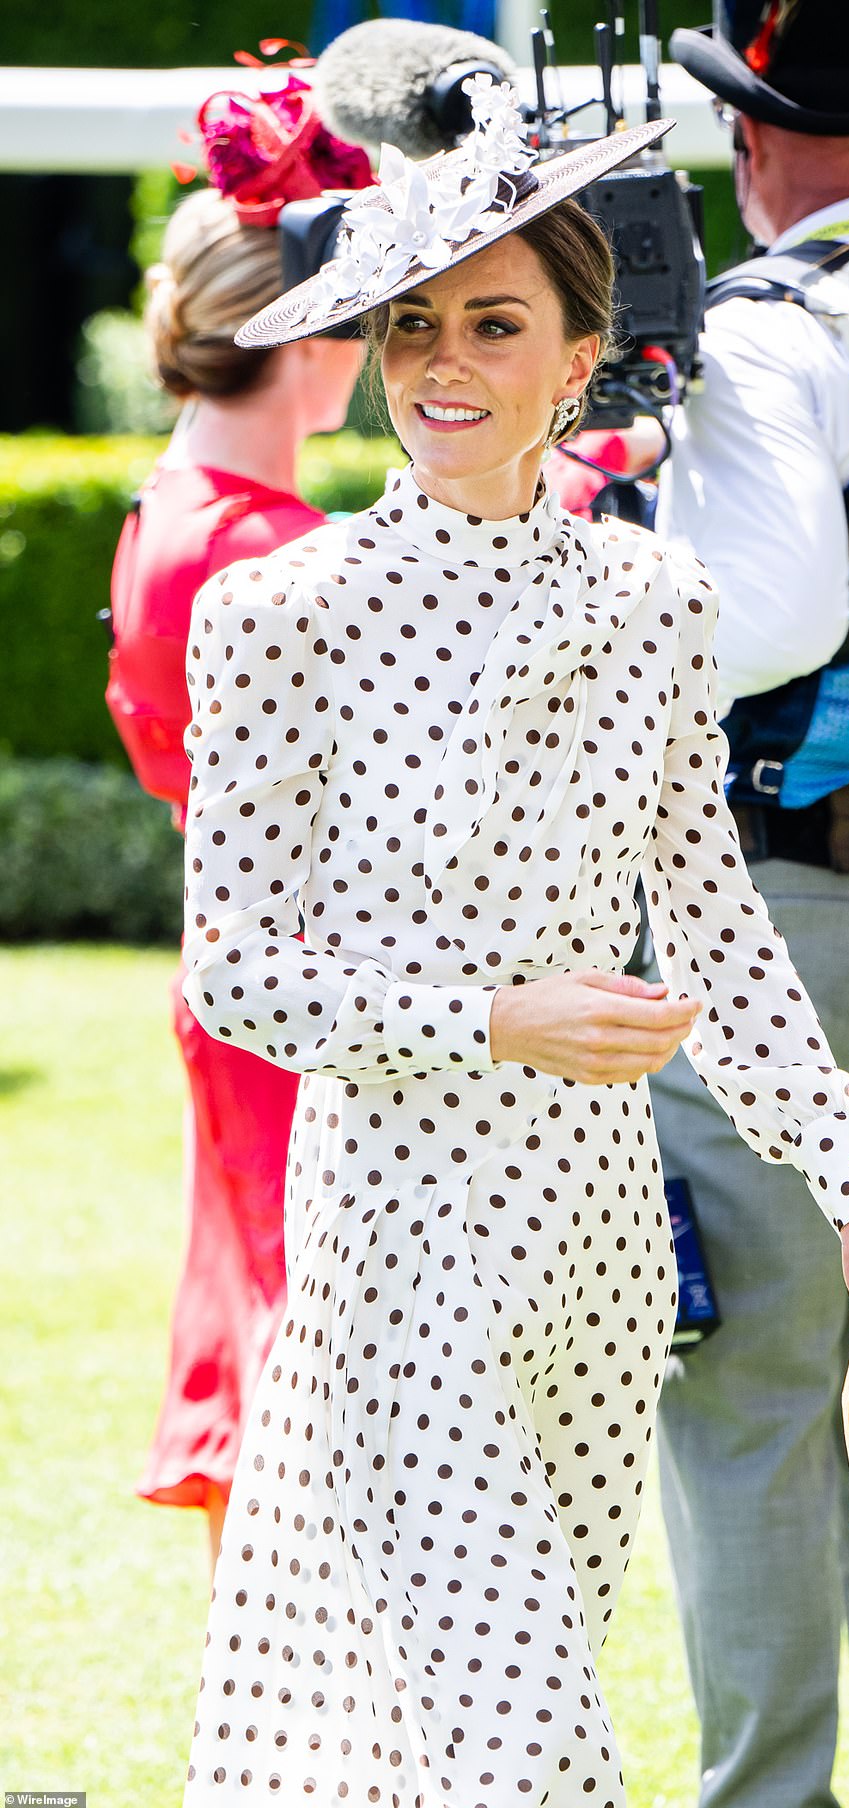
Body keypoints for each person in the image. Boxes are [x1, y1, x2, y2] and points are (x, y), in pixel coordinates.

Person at [176, 77, 849, 1805]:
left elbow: (718, 924)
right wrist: (488, 1016)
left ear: (583, 353)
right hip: (399, 1227)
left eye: (492, 324)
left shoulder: (654, 599)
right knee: (534, 1755)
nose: (440, 363)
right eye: (412, 327)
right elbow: (228, 968)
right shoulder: (282, 607)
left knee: (458, 1736)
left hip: (598, 1248)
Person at [648, 5, 849, 1805]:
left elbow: (756, 629)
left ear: (752, 147)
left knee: (765, 1397)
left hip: (794, 912)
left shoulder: (756, 338)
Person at [106, 60, 372, 1568]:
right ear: (316, 338)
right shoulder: (272, 553)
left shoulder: (168, 517)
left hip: (229, 977)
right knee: (317, 1361)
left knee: (278, 1327)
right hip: (307, 990)